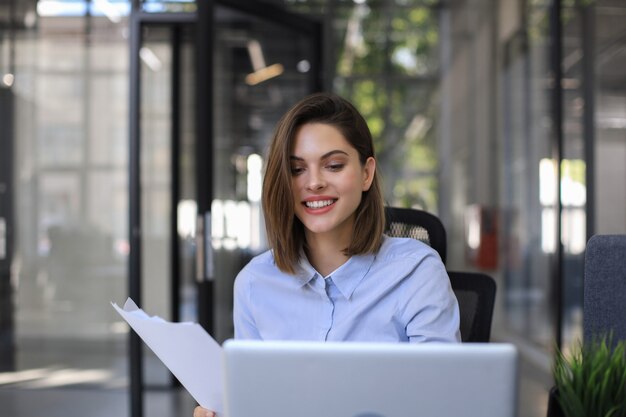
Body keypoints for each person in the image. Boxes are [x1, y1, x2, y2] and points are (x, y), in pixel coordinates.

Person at [194, 92, 460, 417]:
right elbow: (254, 401)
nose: (315, 182)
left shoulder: (416, 271)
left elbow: (443, 402)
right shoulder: (254, 283)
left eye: (333, 165)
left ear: (366, 173)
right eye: (296, 170)